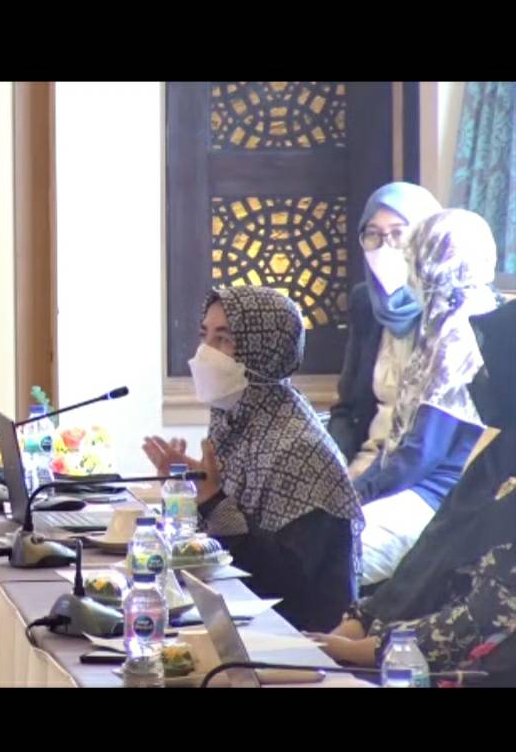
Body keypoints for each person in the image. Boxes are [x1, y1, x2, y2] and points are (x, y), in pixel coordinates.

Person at [308, 297, 516, 686]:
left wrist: (361, 650)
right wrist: (352, 627)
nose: (481, 379)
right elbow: (428, 557)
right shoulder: (500, 455)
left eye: (494, 366)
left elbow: (484, 618)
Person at [144, 286, 363, 632]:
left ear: (263, 351)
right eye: (204, 335)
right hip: (239, 616)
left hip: (297, 638)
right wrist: (186, 495)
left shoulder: (300, 450)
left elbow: (281, 580)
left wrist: (212, 500)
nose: (205, 352)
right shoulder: (236, 420)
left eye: (224, 339)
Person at [350, 209, 494, 586]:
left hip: (436, 496)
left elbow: (420, 454)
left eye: (412, 254)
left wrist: (356, 495)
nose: (407, 268)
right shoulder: (444, 323)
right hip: (413, 484)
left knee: (339, 549)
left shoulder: (460, 335)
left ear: (434, 263)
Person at [327, 181, 442, 479]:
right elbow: (346, 407)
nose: (384, 247)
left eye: (398, 233)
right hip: (366, 458)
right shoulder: (365, 302)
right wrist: (332, 468)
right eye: (373, 235)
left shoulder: (448, 308)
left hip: (422, 468)